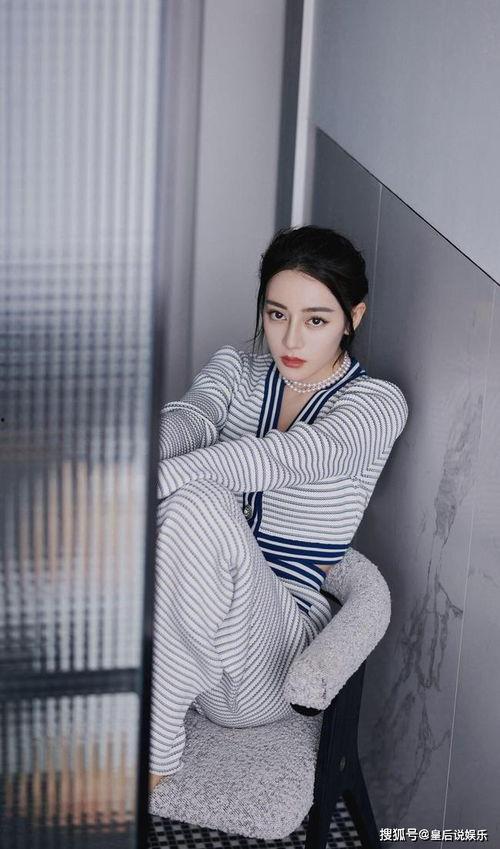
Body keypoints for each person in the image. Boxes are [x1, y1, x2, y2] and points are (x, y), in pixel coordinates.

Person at [149, 225, 409, 793]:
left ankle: (155, 754)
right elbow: (191, 419)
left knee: (196, 500)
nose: (291, 338)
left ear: (353, 318)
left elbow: (280, 459)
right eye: (276, 314)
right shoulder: (236, 368)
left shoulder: (377, 405)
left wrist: (143, 486)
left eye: (316, 320)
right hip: (181, 629)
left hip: (267, 663)